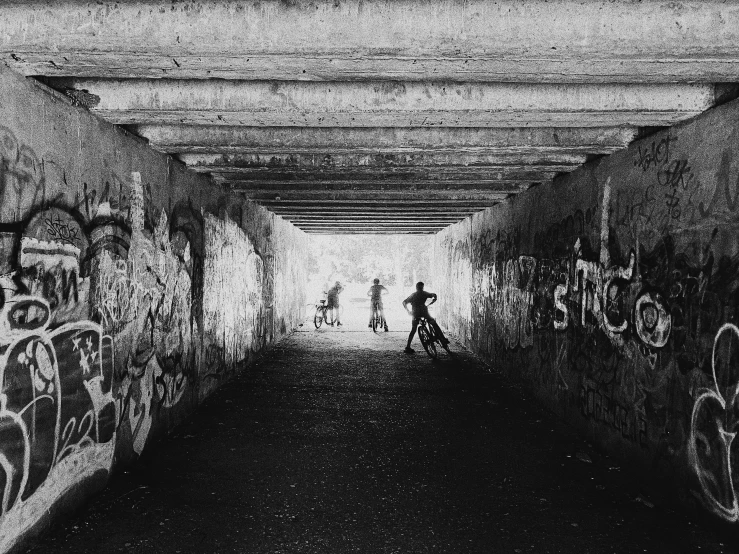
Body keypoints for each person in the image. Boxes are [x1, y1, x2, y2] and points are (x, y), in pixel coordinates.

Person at [402, 281, 449, 354]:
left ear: (416, 287)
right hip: (424, 312)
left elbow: (404, 302)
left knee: (413, 329)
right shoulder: (424, 293)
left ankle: (408, 347)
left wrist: (408, 311)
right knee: (433, 323)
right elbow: (433, 295)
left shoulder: (413, 295)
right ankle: (442, 339)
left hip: (415, 314)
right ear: (422, 287)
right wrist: (434, 298)